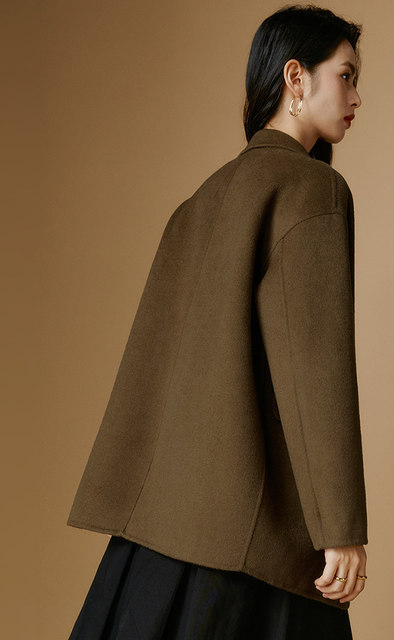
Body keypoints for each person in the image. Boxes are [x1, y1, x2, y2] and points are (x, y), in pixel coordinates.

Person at [66, 4, 368, 639]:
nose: (356, 98)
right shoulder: (311, 190)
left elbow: (158, 364)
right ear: (296, 77)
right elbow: (315, 370)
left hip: (155, 546)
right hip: (252, 545)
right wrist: (339, 526)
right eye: (345, 76)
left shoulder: (199, 201)